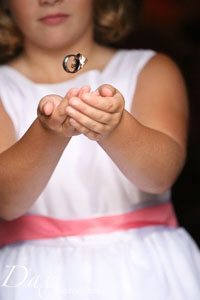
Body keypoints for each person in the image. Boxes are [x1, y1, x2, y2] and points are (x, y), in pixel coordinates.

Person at [0, 0, 199, 299]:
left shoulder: (151, 69)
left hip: (149, 272)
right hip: (35, 279)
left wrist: (115, 128)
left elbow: (160, 175)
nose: (50, 0)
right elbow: (7, 201)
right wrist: (48, 132)